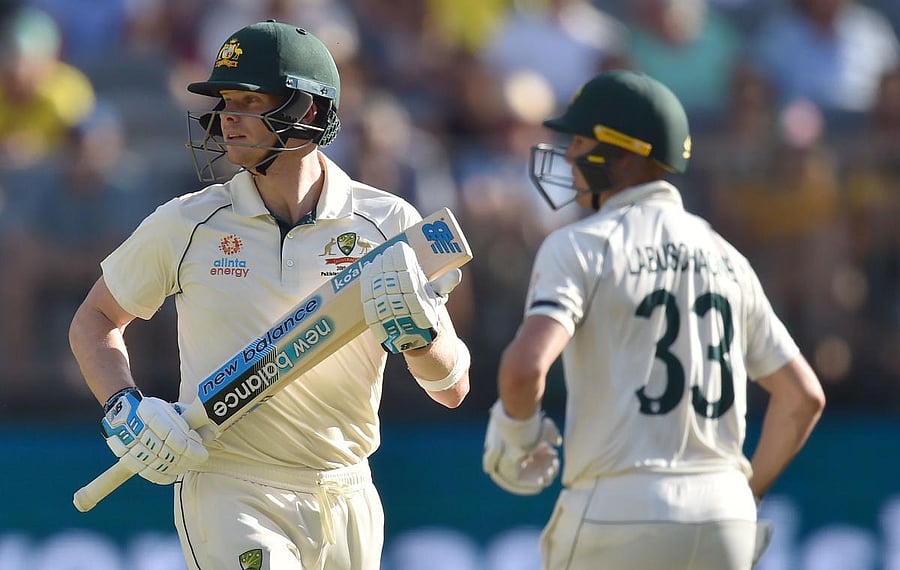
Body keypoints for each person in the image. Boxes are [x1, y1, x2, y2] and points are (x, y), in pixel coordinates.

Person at [69, 20, 470, 570]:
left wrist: (420, 339)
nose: (227, 117)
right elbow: (94, 319)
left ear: (306, 111)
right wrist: (124, 406)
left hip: (348, 493)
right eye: (225, 101)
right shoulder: (188, 223)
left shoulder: (390, 225)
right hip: (230, 487)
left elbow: (452, 388)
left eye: (249, 100)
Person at [481, 69, 826, 570]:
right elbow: (804, 398)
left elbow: (525, 368)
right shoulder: (729, 258)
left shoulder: (580, 245)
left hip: (615, 511)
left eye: (579, 139)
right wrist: (742, 496)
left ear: (623, 154)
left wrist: (516, 439)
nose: (569, 154)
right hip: (724, 517)